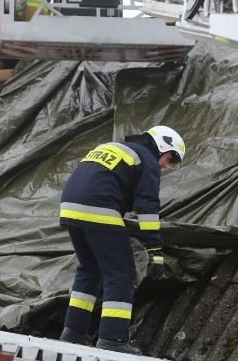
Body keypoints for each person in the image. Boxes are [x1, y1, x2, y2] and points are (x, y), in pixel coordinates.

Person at [58, 126, 186, 354]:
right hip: (99, 207)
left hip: (70, 208)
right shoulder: (146, 159)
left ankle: (73, 332)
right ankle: (113, 340)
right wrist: (155, 250)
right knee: (121, 274)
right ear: (161, 147)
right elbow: (147, 208)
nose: (166, 165)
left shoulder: (115, 148)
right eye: (168, 158)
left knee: (90, 270)